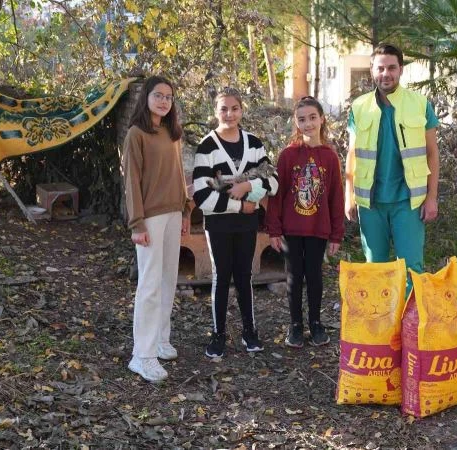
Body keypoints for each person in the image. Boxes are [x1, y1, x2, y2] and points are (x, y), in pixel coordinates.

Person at [193, 87, 279, 358]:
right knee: (221, 276)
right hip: (219, 224)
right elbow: (202, 195)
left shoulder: (253, 143)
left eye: (234, 108)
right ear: (215, 112)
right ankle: (218, 335)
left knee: (244, 275)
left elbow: (273, 182)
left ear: (242, 110)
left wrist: (248, 185)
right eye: (223, 109)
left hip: (246, 224)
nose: (229, 114)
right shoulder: (207, 146)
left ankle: (249, 331)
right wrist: (240, 204)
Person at [345, 43, 440, 288]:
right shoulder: (359, 107)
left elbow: (432, 154)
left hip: (409, 202)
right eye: (380, 68)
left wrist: (432, 197)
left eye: (391, 68)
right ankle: (382, 326)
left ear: (401, 70)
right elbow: (352, 154)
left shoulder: (420, 104)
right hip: (371, 202)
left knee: (412, 271)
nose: (385, 73)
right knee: (375, 270)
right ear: (372, 71)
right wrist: (349, 196)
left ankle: (409, 327)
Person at [122, 76, 191, 382]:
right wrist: (136, 223)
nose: (164, 101)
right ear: (146, 98)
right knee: (149, 285)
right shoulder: (136, 134)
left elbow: (178, 175)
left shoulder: (173, 133)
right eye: (158, 95)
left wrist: (186, 209)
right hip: (149, 218)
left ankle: (160, 340)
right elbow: (131, 182)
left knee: (167, 280)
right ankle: (142, 355)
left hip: (174, 213)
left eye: (168, 97)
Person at [266, 96, 344, 348]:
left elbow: (335, 197)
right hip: (291, 229)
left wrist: (336, 234)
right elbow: (277, 196)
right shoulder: (288, 156)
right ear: (296, 123)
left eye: (312, 118)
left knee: (314, 276)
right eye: (302, 119)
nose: (308, 123)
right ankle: (295, 325)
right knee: (294, 276)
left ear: (322, 119)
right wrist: (274, 229)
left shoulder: (330, 157)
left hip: (318, 229)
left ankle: (315, 323)